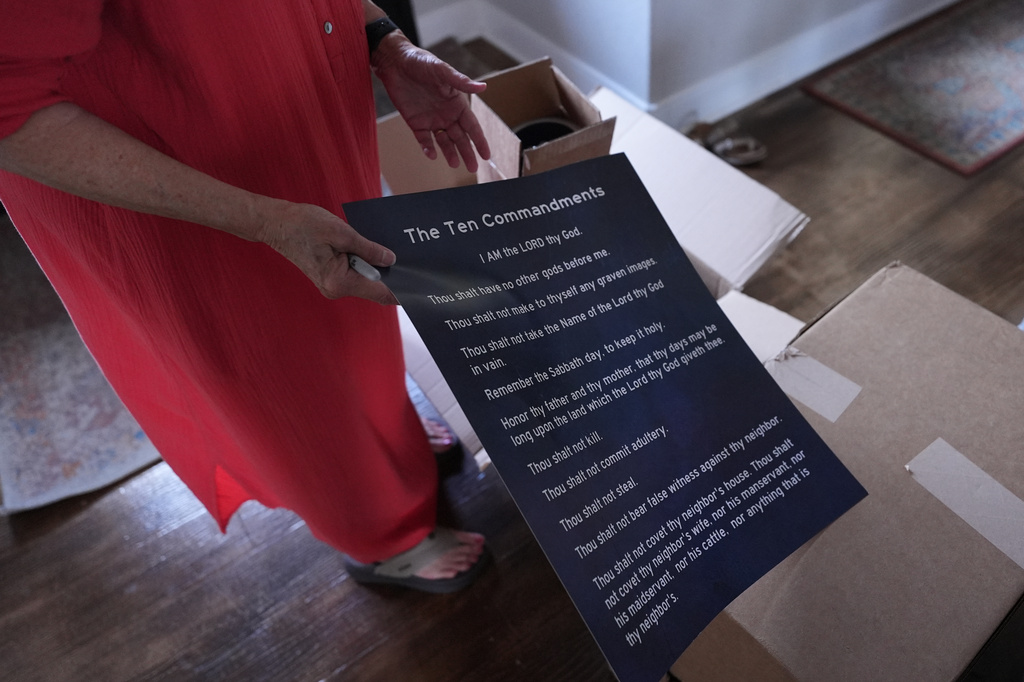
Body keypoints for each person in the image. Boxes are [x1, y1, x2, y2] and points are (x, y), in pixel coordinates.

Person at [0, 0, 491, 592]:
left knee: (354, 318)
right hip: (188, 180)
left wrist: (382, 39)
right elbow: (8, 105)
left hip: (298, 112)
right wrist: (259, 219)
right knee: (282, 371)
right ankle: (381, 537)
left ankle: (388, 438)